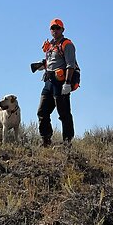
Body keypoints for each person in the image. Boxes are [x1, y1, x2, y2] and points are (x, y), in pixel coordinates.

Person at [37, 18, 77, 147]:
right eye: (52, 28)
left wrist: (67, 83)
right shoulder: (50, 46)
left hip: (60, 83)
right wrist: (41, 66)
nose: (54, 30)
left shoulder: (67, 44)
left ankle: (67, 142)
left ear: (62, 30)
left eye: (57, 28)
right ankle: (46, 140)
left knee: (63, 113)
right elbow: (50, 62)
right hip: (48, 82)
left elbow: (71, 65)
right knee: (42, 112)